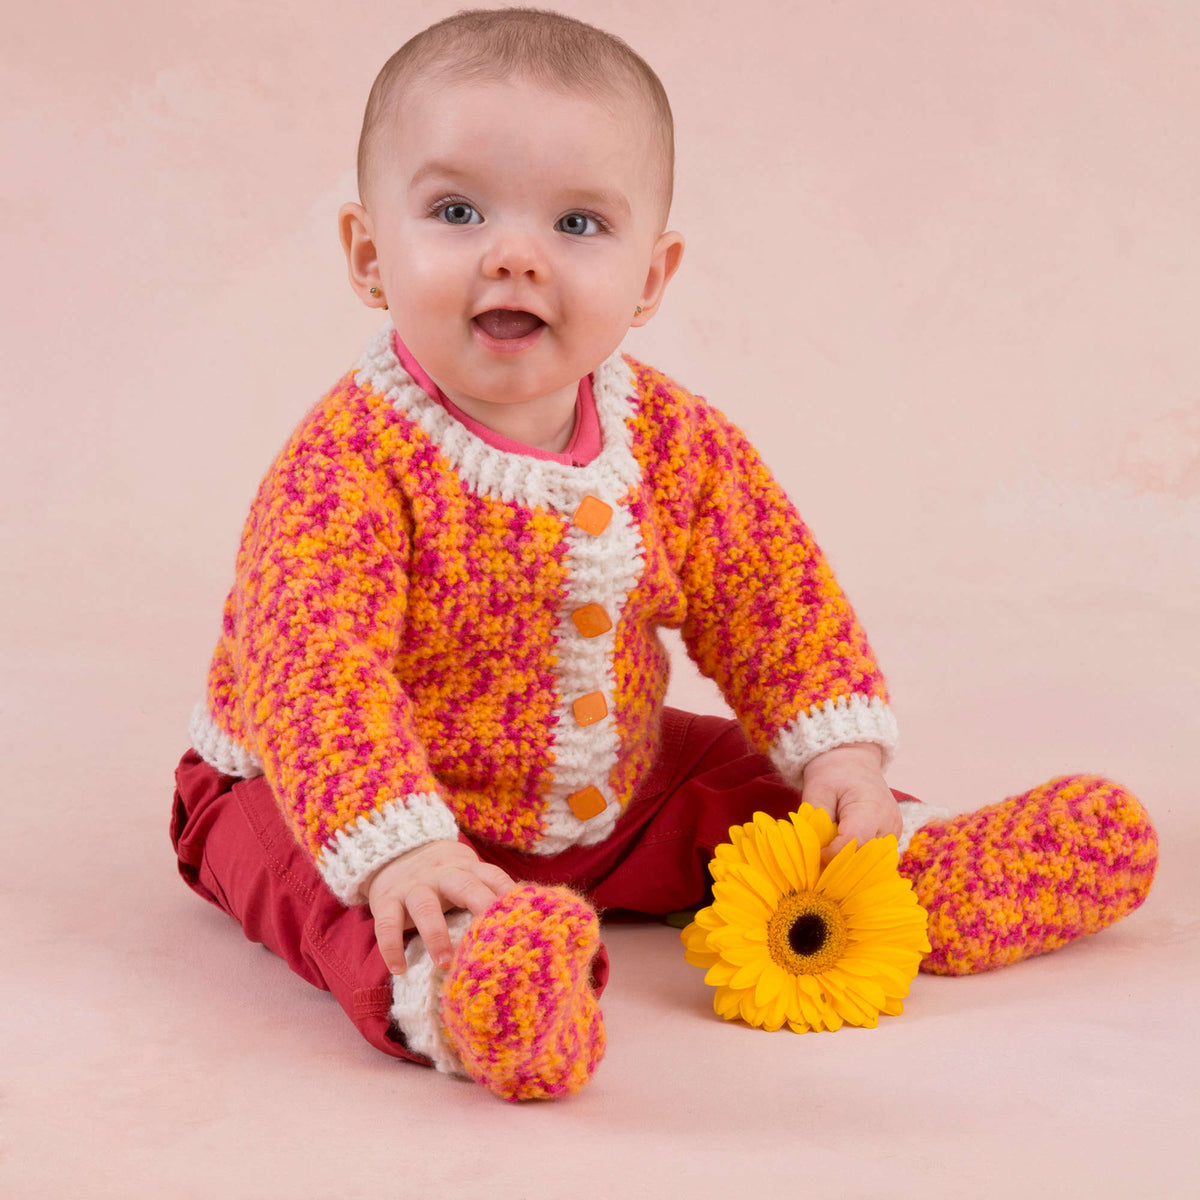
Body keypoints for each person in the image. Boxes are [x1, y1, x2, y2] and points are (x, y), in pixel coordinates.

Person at [170, 7, 1159, 1102]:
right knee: (319, 885)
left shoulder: (676, 442)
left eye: (579, 224)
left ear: (651, 278)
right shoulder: (345, 468)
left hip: (608, 786)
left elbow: (768, 590)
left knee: (737, 780)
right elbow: (317, 675)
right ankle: (461, 991)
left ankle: (902, 865)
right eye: (456, 211)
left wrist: (837, 753)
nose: (513, 253)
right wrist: (402, 846)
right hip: (333, 790)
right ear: (368, 254)